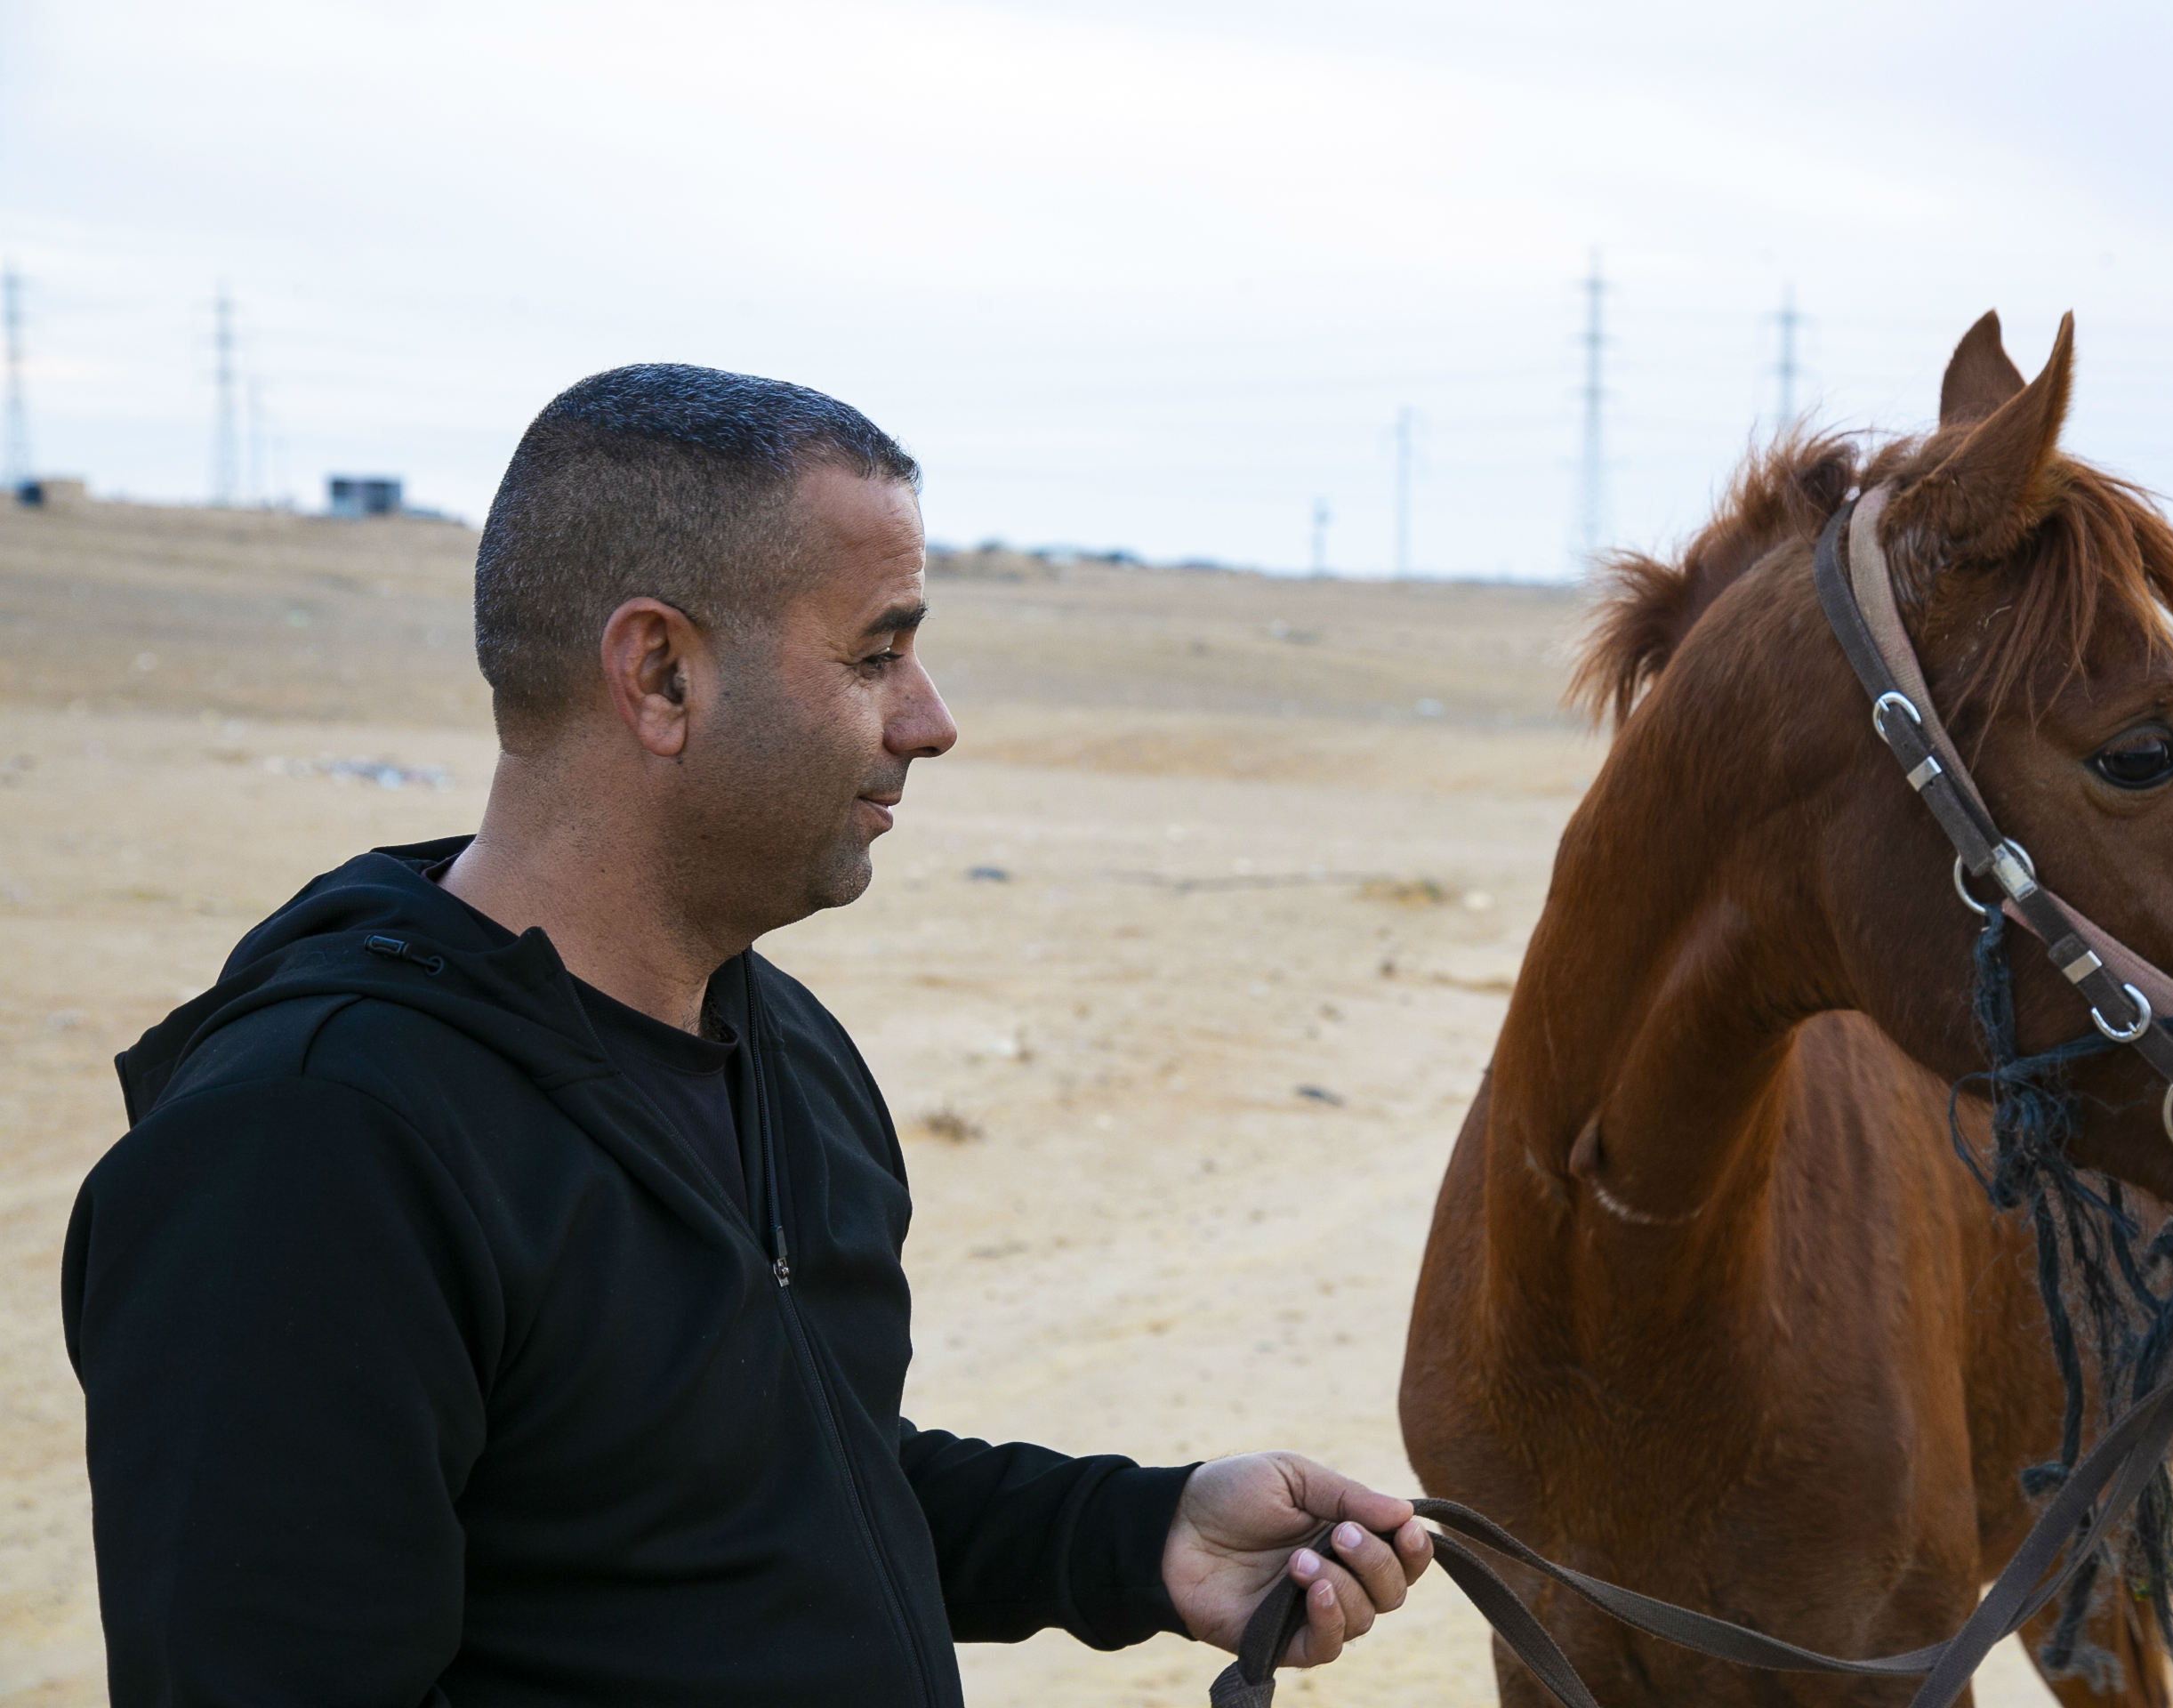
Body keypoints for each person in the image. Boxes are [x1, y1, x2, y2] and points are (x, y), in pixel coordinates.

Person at [63, 365, 1431, 1705]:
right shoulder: (310, 1150)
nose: (932, 721)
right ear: (659, 674)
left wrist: (1140, 1540)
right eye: (877, 653)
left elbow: (772, 1489)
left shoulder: (783, 1047)